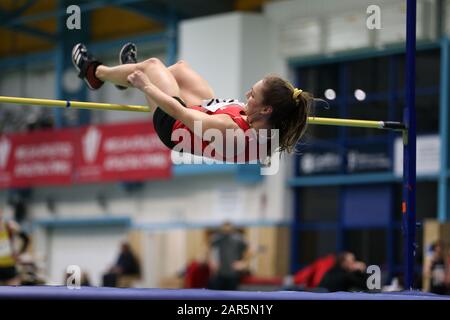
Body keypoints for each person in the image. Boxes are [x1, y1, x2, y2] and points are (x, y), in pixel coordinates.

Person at [72, 43, 311, 162]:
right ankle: (125, 75)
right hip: (210, 111)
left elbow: (178, 111)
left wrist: (145, 85)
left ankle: (95, 73)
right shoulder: (271, 124)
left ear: (266, 109)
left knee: (153, 66)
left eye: (253, 95)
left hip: (174, 124)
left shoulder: (230, 131)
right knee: (180, 70)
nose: (247, 94)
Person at [207, 222, 251, 290]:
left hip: (233, 274)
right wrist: (211, 260)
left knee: (232, 296)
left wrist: (244, 262)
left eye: (228, 230)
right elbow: (209, 249)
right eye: (224, 230)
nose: (226, 231)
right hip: (219, 274)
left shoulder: (238, 238)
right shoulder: (217, 238)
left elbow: (250, 249)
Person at [0, 208, 30, 286]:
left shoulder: (10, 227)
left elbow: (26, 239)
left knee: (13, 294)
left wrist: (20, 253)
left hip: (9, 266)